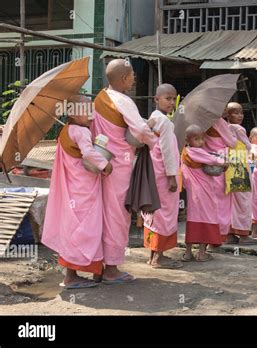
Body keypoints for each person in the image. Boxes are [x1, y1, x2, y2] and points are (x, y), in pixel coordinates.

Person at [91, 58, 157, 284]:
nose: (135, 79)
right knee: (118, 215)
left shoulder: (99, 98)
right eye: (132, 76)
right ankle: (111, 269)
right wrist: (154, 140)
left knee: (101, 213)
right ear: (124, 78)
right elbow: (139, 129)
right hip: (119, 165)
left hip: (100, 162)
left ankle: (97, 266)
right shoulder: (123, 100)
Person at [42, 95, 113, 289]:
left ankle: (72, 274)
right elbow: (89, 154)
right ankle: (86, 273)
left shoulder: (66, 130)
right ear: (73, 113)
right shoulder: (81, 132)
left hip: (73, 188)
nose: (91, 116)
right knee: (87, 227)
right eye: (86, 112)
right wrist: (106, 165)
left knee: (72, 228)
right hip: (83, 190)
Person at [142, 83, 182, 269]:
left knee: (154, 213)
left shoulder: (154, 119)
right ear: (156, 99)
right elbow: (167, 151)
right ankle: (159, 257)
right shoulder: (164, 122)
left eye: (174, 99)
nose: (172, 102)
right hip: (163, 175)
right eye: (168, 98)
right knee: (165, 213)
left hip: (154, 173)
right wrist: (172, 176)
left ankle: (152, 255)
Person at [181, 125, 228, 262]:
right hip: (204, 191)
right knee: (208, 217)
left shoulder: (184, 152)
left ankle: (188, 253)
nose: (201, 142)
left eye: (202, 139)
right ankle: (202, 253)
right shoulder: (195, 152)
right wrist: (225, 162)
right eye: (196, 139)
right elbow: (214, 160)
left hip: (192, 191)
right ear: (187, 139)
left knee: (192, 218)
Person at [225, 102, 257, 245]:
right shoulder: (238, 128)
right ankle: (244, 235)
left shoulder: (223, 127)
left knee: (231, 201)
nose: (240, 116)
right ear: (228, 114)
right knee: (244, 199)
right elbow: (248, 146)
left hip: (229, 165)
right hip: (239, 163)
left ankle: (230, 234)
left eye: (241, 112)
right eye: (235, 113)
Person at [203, 112, 237, 243]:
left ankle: (210, 235)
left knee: (212, 201)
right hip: (221, 163)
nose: (226, 111)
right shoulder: (219, 121)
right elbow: (232, 142)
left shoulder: (202, 120)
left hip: (206, 161)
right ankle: (222, 234)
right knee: (223, 201)